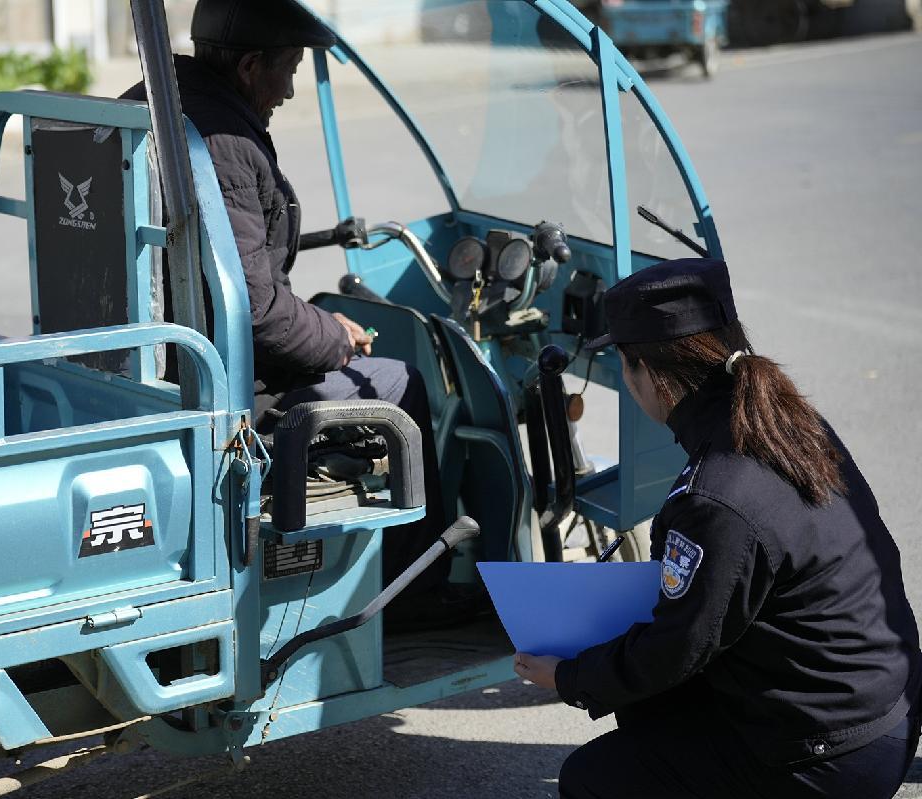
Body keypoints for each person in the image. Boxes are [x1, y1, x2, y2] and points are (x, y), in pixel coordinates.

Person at [514, 258, 921, 798]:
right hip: (877, 707)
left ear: (644, 373)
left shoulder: (716, 495)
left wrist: (568, 676)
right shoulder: (783, 422)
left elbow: (676, 648)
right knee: (649, 709)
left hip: (830, 754)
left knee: (592, 779)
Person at [120, 0, 464, 619]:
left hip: (159, 359)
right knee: (398, 383)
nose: (291, 90)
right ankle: (414, 593)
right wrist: (334, 337)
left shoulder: (157, 101)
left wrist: (319, 323)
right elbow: (254, 310)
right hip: (218, 381)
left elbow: (227, 274)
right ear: (251, 66)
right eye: (289, 70)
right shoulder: (220, 143)